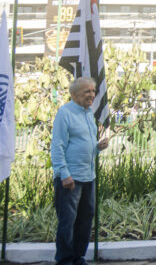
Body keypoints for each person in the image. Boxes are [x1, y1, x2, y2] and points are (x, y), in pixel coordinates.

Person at [51, 77, 108, 265]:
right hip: (70, 178)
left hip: (88, 176)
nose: (91, 95)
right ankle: (65, 260)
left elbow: (84, 143)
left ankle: (78, 257)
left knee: (85, 219)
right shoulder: (64, 113)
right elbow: (57, 146)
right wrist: (63, 173)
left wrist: (98, 146)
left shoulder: (88, 113)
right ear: (74, 94)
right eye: (87, 92)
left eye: (93, 91)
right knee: (68, 222)